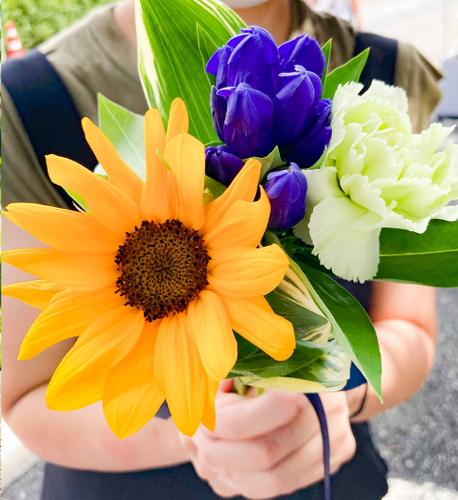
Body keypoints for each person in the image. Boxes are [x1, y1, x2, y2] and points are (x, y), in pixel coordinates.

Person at [2, 1, 439, 499]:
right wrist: (203, 438)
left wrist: (341, 398)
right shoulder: (28, 96)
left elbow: (410, 327)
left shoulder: (386, 77)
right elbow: (29, 396)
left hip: (327, 469)